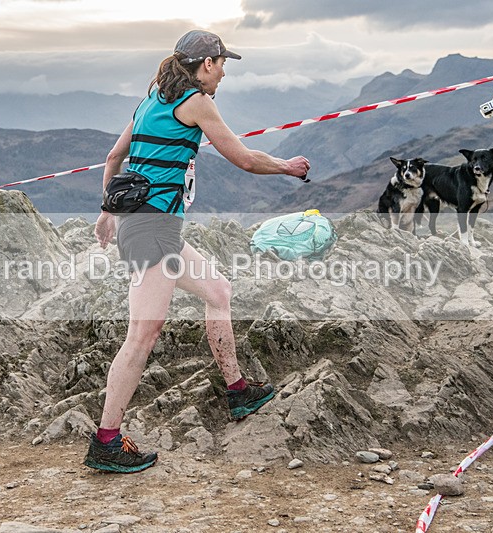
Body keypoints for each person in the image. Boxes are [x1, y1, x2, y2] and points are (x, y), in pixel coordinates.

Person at [84, 30, 311, 473]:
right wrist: (286, 166)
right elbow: (242, 158)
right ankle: (105, 441)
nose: (224, 72)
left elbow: (115, 157)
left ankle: (237, 390)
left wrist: (107, 212)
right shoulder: (197, 102)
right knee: (142, 336)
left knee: (218, 292)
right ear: (206, 63)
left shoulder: (151, 100)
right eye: (223, 63)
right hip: (153, 230)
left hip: (148, 225)